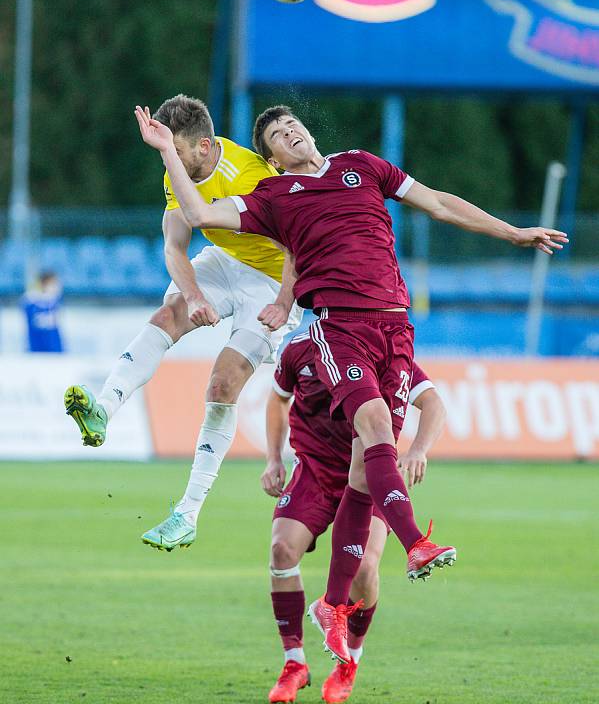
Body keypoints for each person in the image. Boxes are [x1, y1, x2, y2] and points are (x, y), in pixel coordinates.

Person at [133, 103, 568, 660]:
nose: (291, 132)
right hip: (340, 325)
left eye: (292, 125)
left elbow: (436, 202)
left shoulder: (362, 165)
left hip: (395, 327)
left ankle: (334, 605)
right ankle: (415, 544)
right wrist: (169, 149)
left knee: (370, 457)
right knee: (375, 422)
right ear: (271, 159)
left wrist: (511, 233)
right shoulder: (273, 199)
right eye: (276, 135)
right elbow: (196, 213)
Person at [65, 95, 300, 550]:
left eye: (176, 152)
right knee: (166, 313)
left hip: (273, 281)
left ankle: (186, 514)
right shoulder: (178, 168)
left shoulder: (251, 174)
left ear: (206, 146)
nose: (170, 162)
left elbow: (298, 241)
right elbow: (175, 246)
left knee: (222, 385)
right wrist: (192, 296)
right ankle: (102, 409)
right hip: (227, 260)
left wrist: (287, 301)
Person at [262, 330, 446, 704]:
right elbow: (277, 400)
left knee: (364, 570)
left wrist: (419, 449)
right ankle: (294, 663)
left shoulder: (379, 351)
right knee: (281, 550)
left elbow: (433, 403)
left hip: (368, 473)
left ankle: (350, 662)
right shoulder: (300, 350)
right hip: (316, 472)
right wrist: (273, 458)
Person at [22, 270, 65, 353]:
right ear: (44, 283)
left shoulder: (56, 300)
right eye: (53, 283)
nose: (57, 286)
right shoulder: (31, 300)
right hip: (37, 347)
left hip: (55, 348)